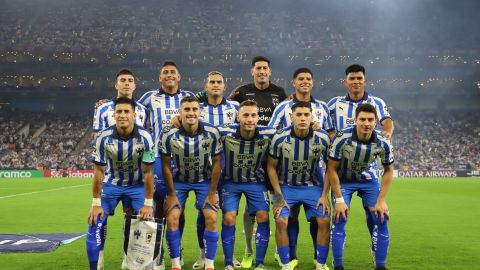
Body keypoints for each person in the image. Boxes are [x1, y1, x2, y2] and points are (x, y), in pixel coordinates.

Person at [327, 64, 394, 264]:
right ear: (345, 82)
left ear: (365, 81)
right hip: (342, 174)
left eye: (359, 78)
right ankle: (337, 263)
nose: (356, 82)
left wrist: (387, 133)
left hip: (369, 174)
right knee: (339, 216)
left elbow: (388, 121)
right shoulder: (334, 104)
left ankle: (379, 260)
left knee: (378, 216)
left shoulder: (377, 103)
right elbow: (319, 115)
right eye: (352, 78)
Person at [269, 67, 334, 268]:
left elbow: (331, 165)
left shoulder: (322, 134)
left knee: (323, 220)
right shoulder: (280, 136)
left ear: (312, 116)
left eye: (307, 114)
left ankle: (321, 263)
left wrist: (325, 195)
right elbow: (271, 166)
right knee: (282, 220)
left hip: (312, 184)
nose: (303, 118)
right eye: (299, 115)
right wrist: (278, 197)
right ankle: (286, 261)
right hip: (286, 185)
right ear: (292, 116)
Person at [229, 56, 287, 268]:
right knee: (249, 210)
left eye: (265, 68)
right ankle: (248, 250)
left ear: (270, 71)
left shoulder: (279, 93)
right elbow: (229, 113)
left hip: (272, 156)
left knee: (279, 207)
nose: (262, 71)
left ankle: (280, 252)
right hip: (250, 156)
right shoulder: (242, 91)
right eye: (258, 68)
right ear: (252, 71)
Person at [86, 97, 155, 270]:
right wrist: (95, 204)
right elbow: (98, 172)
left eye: (126, 111)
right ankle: (97, 264)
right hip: (111, 184)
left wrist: (147, 203)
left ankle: (134, 262)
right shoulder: (103, 137)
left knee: (147, 221)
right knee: (95, 221)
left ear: (134, 114)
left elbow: (148, 172)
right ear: (114, 114)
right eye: (119, 111)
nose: (122, 115)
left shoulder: (146, 137)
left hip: (137, 185)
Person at [138, 60, 195, 268]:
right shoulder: (149, 98)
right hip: (156, 159)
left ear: (179, 77)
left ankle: (175, 249)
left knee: (178, 208)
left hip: (181, 160)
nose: (169, 75)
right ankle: (157, 251)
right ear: (160, 78)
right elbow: (130, 110)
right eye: (165, 73)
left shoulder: (188, 97)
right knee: (158, 208)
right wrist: (105, 103)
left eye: (173, 72)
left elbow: (206, 105)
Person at [160, 96, 222, 270]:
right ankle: (175, 264)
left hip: (204, 180)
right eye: (186, 109)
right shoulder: (168, 133)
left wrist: (212, 193)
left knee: (211, 217)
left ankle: (209, 264)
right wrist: (171, 195)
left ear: (200, 112)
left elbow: (217, 163)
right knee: (172, 218)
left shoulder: (212, 132)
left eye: (194, 109)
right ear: (180, 112)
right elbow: (165, 164)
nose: (191, 113)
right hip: (179, 181)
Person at [217, 100, 276, 270]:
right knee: (229, 217)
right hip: (230, 182)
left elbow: (290, 132)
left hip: (255, 182)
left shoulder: (268, 134)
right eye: (245, 115)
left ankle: (259, 263)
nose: (250, 119)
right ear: (238, 117)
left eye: (253, 115)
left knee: (263, 216)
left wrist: (313, 125)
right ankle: (228, 262)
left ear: (258, 118)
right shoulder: (224, 132)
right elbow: (203, 128)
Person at [192, 71, 240, 269]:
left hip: (228, 168)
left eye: (219, 82)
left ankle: (231, 255)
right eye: (211, 82)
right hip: (204, 170)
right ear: (205, 86)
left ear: (224, 87)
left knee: (230, 213)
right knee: (205, 213)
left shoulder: (235, 107)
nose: (215, 85)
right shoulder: (198, 108)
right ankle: (203, 254)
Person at [92, 69, 147, 139]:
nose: (127, 83)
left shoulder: (143, 110)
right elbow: (97, 140)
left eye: (130, 81)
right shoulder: (102, 109)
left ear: (134, 86)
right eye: (123, 80)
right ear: (116, 86)